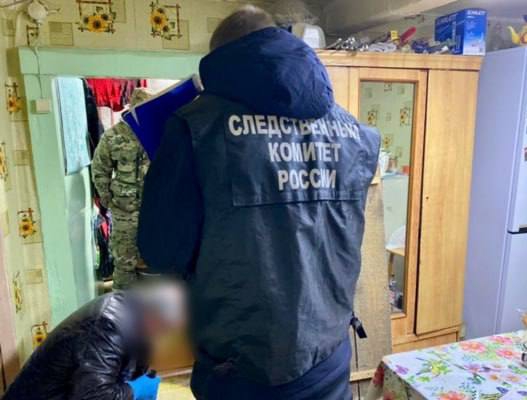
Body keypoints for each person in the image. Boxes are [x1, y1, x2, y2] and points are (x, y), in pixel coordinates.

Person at [138, 5, 380, 399]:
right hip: (328, 354)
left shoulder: (193, 127)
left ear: (221, 60)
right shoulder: (356, 133)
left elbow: (162, 251)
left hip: (240, 366)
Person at [2, 283, 185, 400]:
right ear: (152, 316)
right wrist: (135, 390)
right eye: (163, 328)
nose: (162, 336)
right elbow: (93, 396)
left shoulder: (134, 310)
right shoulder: (107, 328)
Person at [92, 88, 152, 290]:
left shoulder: (158, 131)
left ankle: (151, 302)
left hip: (154, 210)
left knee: (155, 259)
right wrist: (107, 198)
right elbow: (100, 168)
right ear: (131, 108)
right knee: (124, 262)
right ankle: (121, 304)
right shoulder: (113, 136)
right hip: (124, 210)